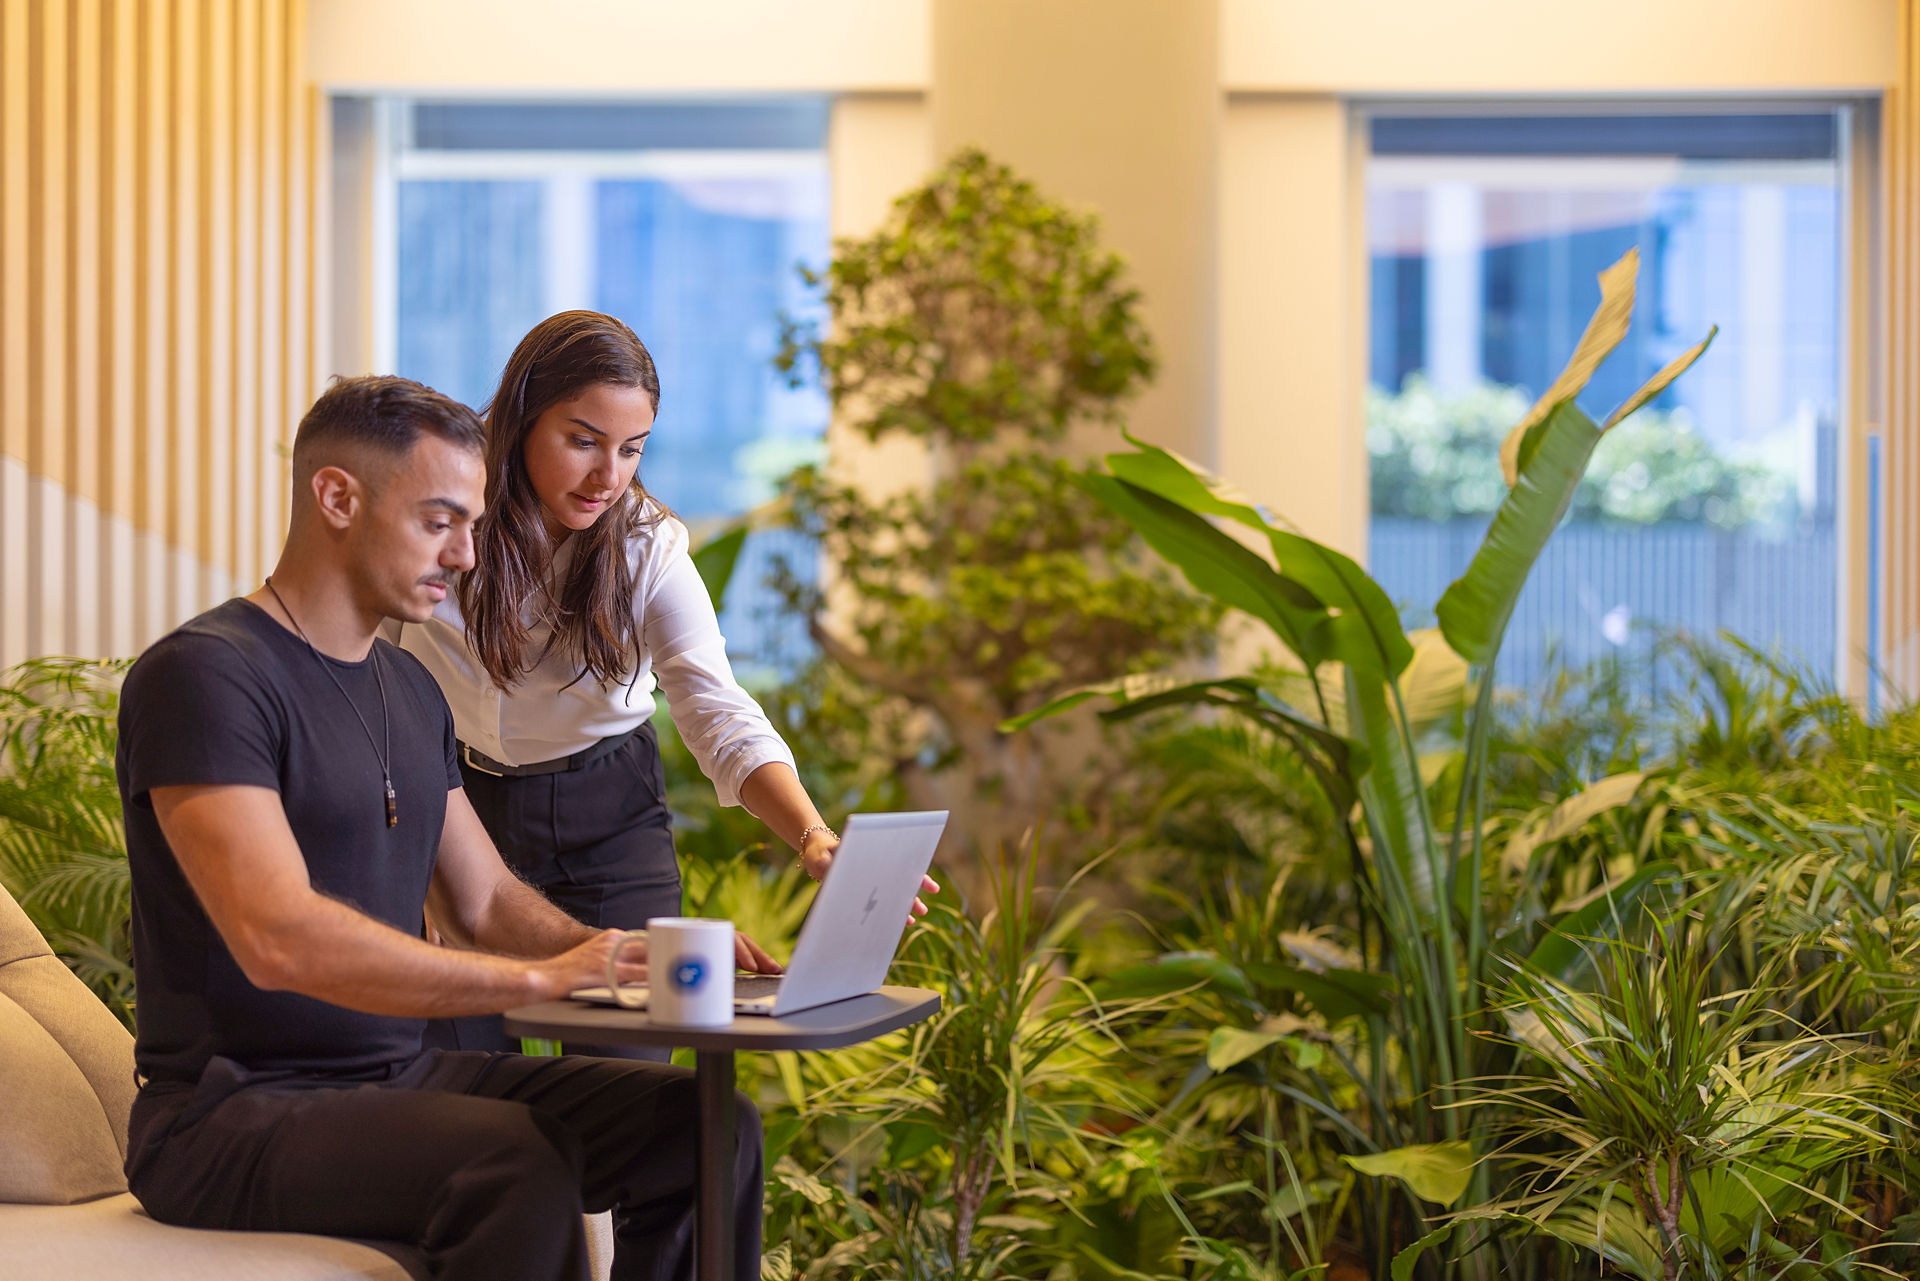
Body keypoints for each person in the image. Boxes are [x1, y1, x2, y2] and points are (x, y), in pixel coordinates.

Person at [115, 374, 761, 1281]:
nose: (468, 554)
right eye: (440, 521)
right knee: (515, 1164)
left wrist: (619, 956)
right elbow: (276, 936)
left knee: (707, 1126)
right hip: (232, 1112)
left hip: (394, 1074)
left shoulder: (409, 688)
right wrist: (540, 977)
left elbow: (487, 897)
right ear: (337, 497)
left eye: (474, 522)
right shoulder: (207, 676)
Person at [392, 310, 936, 1058]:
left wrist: (813, 837)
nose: (607, 476)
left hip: (607, 819)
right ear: (520, 420)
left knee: (629, 1077)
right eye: (582, 440)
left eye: (630, 449)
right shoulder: (445, 523)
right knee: (464, 1075)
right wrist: (413, 865)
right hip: (461, 809)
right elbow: (374, 685)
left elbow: (717, 709)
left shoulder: (648, 546)